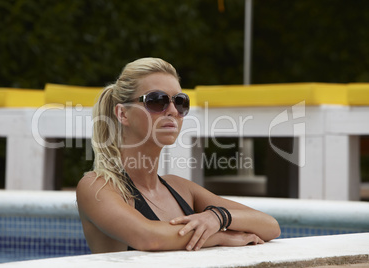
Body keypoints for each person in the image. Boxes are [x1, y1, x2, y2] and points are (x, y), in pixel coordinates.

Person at [76, 57, 281, 253]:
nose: (173, 110)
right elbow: (148, 237)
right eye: (157, 101)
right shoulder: (97, 186)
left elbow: (270, 226)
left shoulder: (180, 188)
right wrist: (219, 237)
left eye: (180, 102)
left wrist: (217, 218)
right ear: (123, 114)